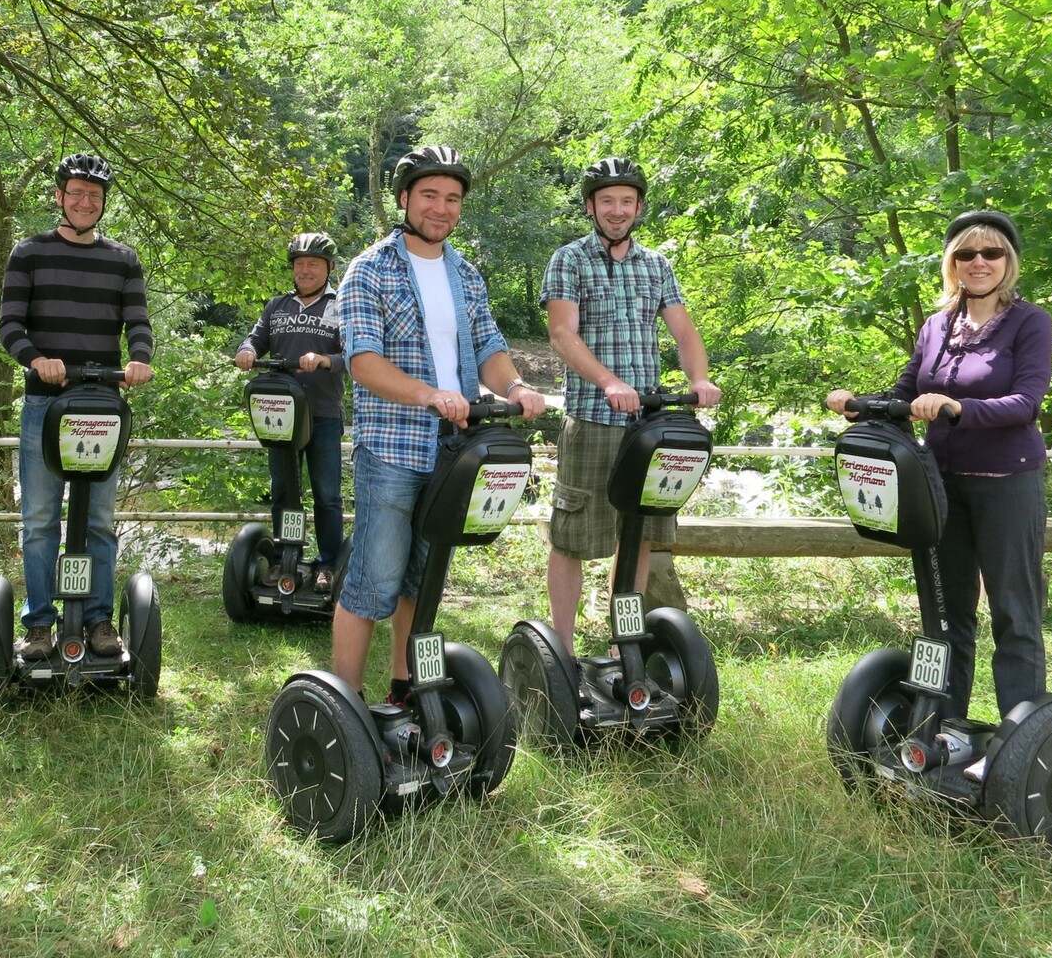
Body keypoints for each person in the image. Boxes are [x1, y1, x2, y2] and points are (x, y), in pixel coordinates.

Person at [333, 145, 547, 703]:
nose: (441, 207)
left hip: (453, 451)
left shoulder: (465, 273)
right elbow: (363, 361)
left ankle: (405, 689)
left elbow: (489, 349)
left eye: (452, 198)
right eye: (430, 194)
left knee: (423, 580)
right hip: (392, 448)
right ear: (404, 198)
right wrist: (430, 394)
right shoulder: (369, 269)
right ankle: (344, 703)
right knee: (372, 582)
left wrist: (517, 387)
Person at [824, 209, 1052, 720]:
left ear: (1008, 261)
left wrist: (957, 409)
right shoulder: (937, 325)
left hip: (1007, 484)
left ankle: (1019, 736)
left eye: (991, 252)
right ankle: (942, 727)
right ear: (951, 264)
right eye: (965, 254)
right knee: (946, 614)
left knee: (1014, 613)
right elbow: (907, 392)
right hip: (941, 485)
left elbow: (1027, 402)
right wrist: (857, 402)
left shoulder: (1029, 322)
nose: (979, 262)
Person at [541, 158, 721, 657]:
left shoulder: (656, 264)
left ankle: (624, 643)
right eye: (607, 201)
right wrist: (607, 381)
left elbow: (683, 331)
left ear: (638, 206)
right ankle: (562, 648)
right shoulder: (569, 260)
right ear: (591, 206)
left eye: (626, 202)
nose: (616, 211)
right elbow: (561, 333)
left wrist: (699, 379)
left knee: (639, 533)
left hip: (647, 424)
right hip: (594, 417)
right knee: (572, 536)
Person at [0, 152, 154, 663]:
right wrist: (37, 359)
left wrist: (139, 360)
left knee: (101, 520)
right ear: (60, 196)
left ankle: (98, 619)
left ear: (104, 202)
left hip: (102, 404)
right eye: (77, 193)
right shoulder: (29, 253)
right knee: (41, 518)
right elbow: (10, 327)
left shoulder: (123, 259)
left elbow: (138, 323)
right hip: (46, 404)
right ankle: (40, 624)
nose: (86, 202)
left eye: (95, 195)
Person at [234, 232, 348, 593]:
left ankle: (327, 564)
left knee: (327, 494)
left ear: (328, 268)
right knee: (284, 489)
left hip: (324, 414)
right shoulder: (277, 306)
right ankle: (288, 556)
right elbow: (255, 338)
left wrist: (325, 360)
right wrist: (247, 350)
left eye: (313, 264)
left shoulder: (341, 306)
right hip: (281, 414)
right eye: (299, 264)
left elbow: (356, 357)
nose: (305, 270)